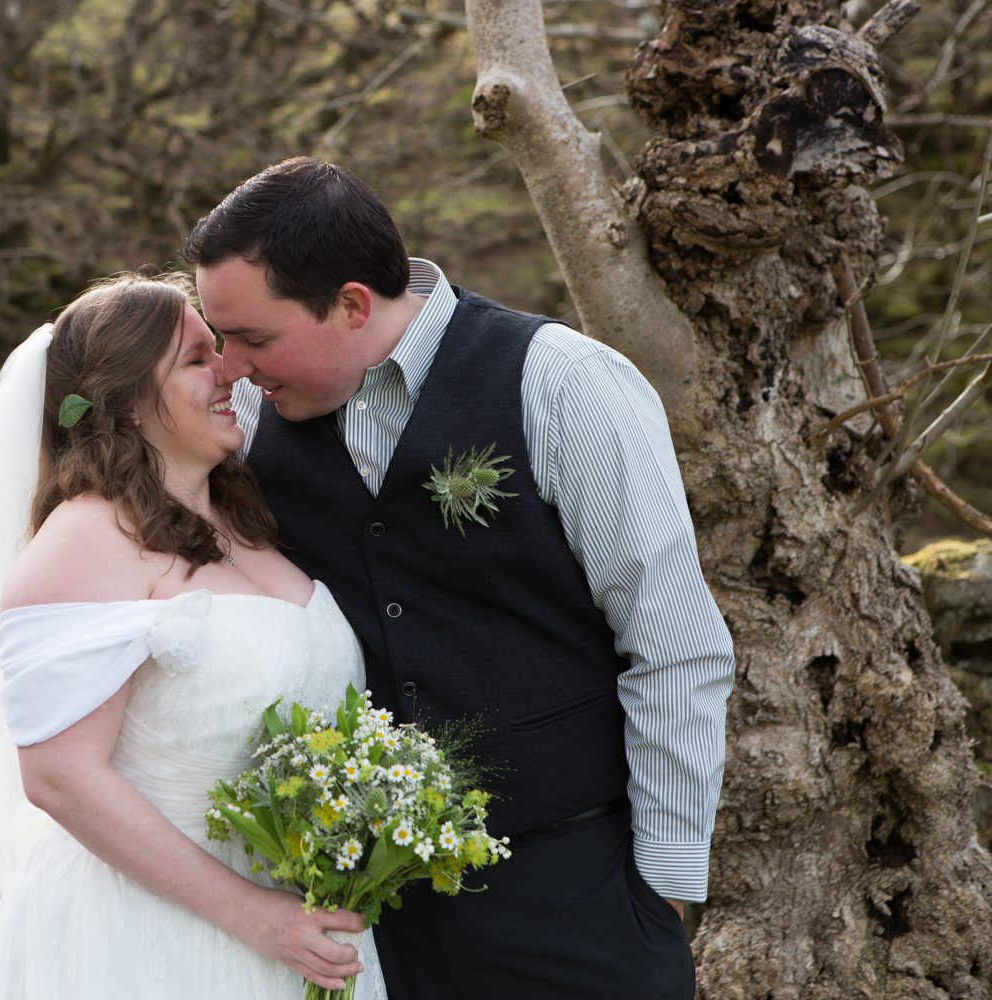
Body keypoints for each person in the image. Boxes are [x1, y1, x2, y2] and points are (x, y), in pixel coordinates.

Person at [184, 157, 736, 998]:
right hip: (372, 922)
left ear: (353, 304)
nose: (232, 364)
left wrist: (661, 892)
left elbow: (675, 647)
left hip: (575, 893)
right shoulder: (247, 419)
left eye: (255, 337)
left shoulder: (563, 384)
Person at [0, 272, 389, 1000]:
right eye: (196, 357)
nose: (230, 369)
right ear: (129, 401)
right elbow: (58, 776)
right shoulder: (83, 540)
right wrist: (253, 916)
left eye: (224, 349)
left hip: (306, 924)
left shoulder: (249, 522)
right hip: (151, 939)